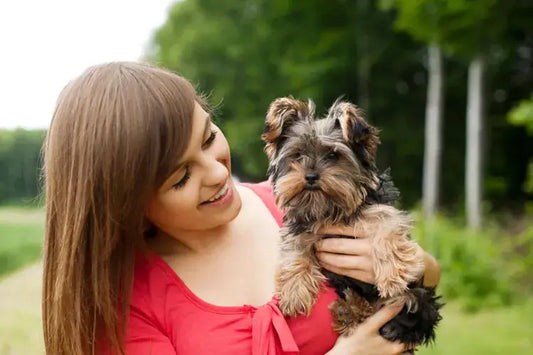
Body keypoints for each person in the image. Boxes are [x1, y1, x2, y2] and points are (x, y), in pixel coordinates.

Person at [42, 62, 440, 355]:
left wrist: (422, 266)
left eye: (209, 136)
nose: (217, 173)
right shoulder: (124, 310)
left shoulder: (305, 206)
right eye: (181, 177)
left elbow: (420, 282)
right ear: (127, 204)